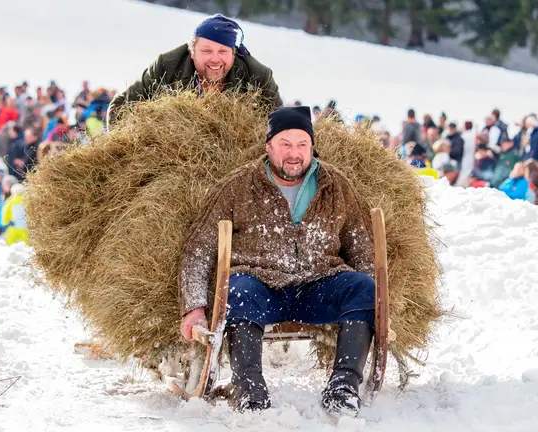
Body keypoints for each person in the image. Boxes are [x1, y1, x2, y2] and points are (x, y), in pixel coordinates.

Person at [179, 106, 376, 417]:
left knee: (365, 287)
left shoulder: (335, 185)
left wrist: (374, 303)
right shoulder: (239, 185)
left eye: (302, 144)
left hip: (318, 283)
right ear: (269, 146)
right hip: (260, 287)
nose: (294, 153)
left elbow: (361, 246)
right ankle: (249, 390)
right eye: (285, 144)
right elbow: (200, 248)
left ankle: (343, 387)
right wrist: (194, 306)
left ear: (312, 147)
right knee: (237, 288)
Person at [107, 14, 282, 129]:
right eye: (206, 51)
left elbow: (283, 126)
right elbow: (119, 107)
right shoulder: (166, 67)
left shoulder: (259, 77)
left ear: (233, 53)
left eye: (222, 52)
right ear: (192, 52)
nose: (215, 59)